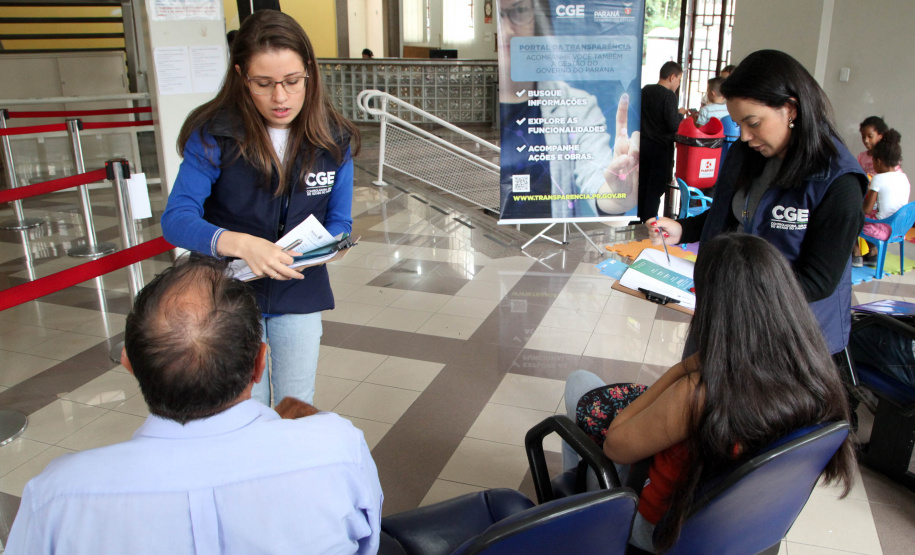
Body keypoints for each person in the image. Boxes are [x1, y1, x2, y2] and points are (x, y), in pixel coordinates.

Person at [6, 256, 383, 554]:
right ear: (259, 362)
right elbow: (369, 542)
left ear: (129, 364)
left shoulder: (56, 496)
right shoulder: (338, 446)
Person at [564, 233, 856, 553]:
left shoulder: (700, 394)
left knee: (580, 384)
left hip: (659, 528)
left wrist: (680, 370)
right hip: (740, 526)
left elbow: (615, 445)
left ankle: (575, 521)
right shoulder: (813, 373)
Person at [161, 10, 360, 406]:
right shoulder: (215, 133)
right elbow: (176, 220)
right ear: (241, 76)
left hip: (299, 290)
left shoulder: (334, 138)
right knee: (243, 405)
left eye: (292, 81)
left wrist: (329, 247)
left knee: (294, 402)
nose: (280, 97)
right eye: (264, 84)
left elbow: (340, 221)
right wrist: (241, 244)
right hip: (227, 294)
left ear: (309, 73)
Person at [647, 50, 867, 356]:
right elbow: (733, 214)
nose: (745, 136)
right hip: (728, 308)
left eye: (753, 123)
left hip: (790, 334)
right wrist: (683, 229)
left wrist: (740, 292)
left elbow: (817, 282)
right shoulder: (748, 153)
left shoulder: (837, 181)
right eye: (739, 124)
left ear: (791, 109)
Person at [497, 0, 639, 219]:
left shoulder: (576, 105)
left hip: (547, 236)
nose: (506, 30)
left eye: (520, 10)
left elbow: (595, 174)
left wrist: (618, 196)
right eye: (499, 15)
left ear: (540, 21)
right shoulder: (470, 107)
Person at [639, 61, 687, 222]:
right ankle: (649, 220)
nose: (678, 84)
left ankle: (638, 218)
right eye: (679, 79)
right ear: (672, 77)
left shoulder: (645, 90)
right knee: (655, 188)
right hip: (660, 148)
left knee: (643, 184)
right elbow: (673, 125)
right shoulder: (669, 96)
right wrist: (680, 114)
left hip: (643, 145)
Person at [853, 129, 909, 267]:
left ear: (878, 161)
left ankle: (856, 254)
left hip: (882, 229)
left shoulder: (878, 178)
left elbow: (866, 209)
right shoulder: (903, 177)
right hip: (899, 229)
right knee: (873, 215)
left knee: (852, 217)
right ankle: (873, 254)